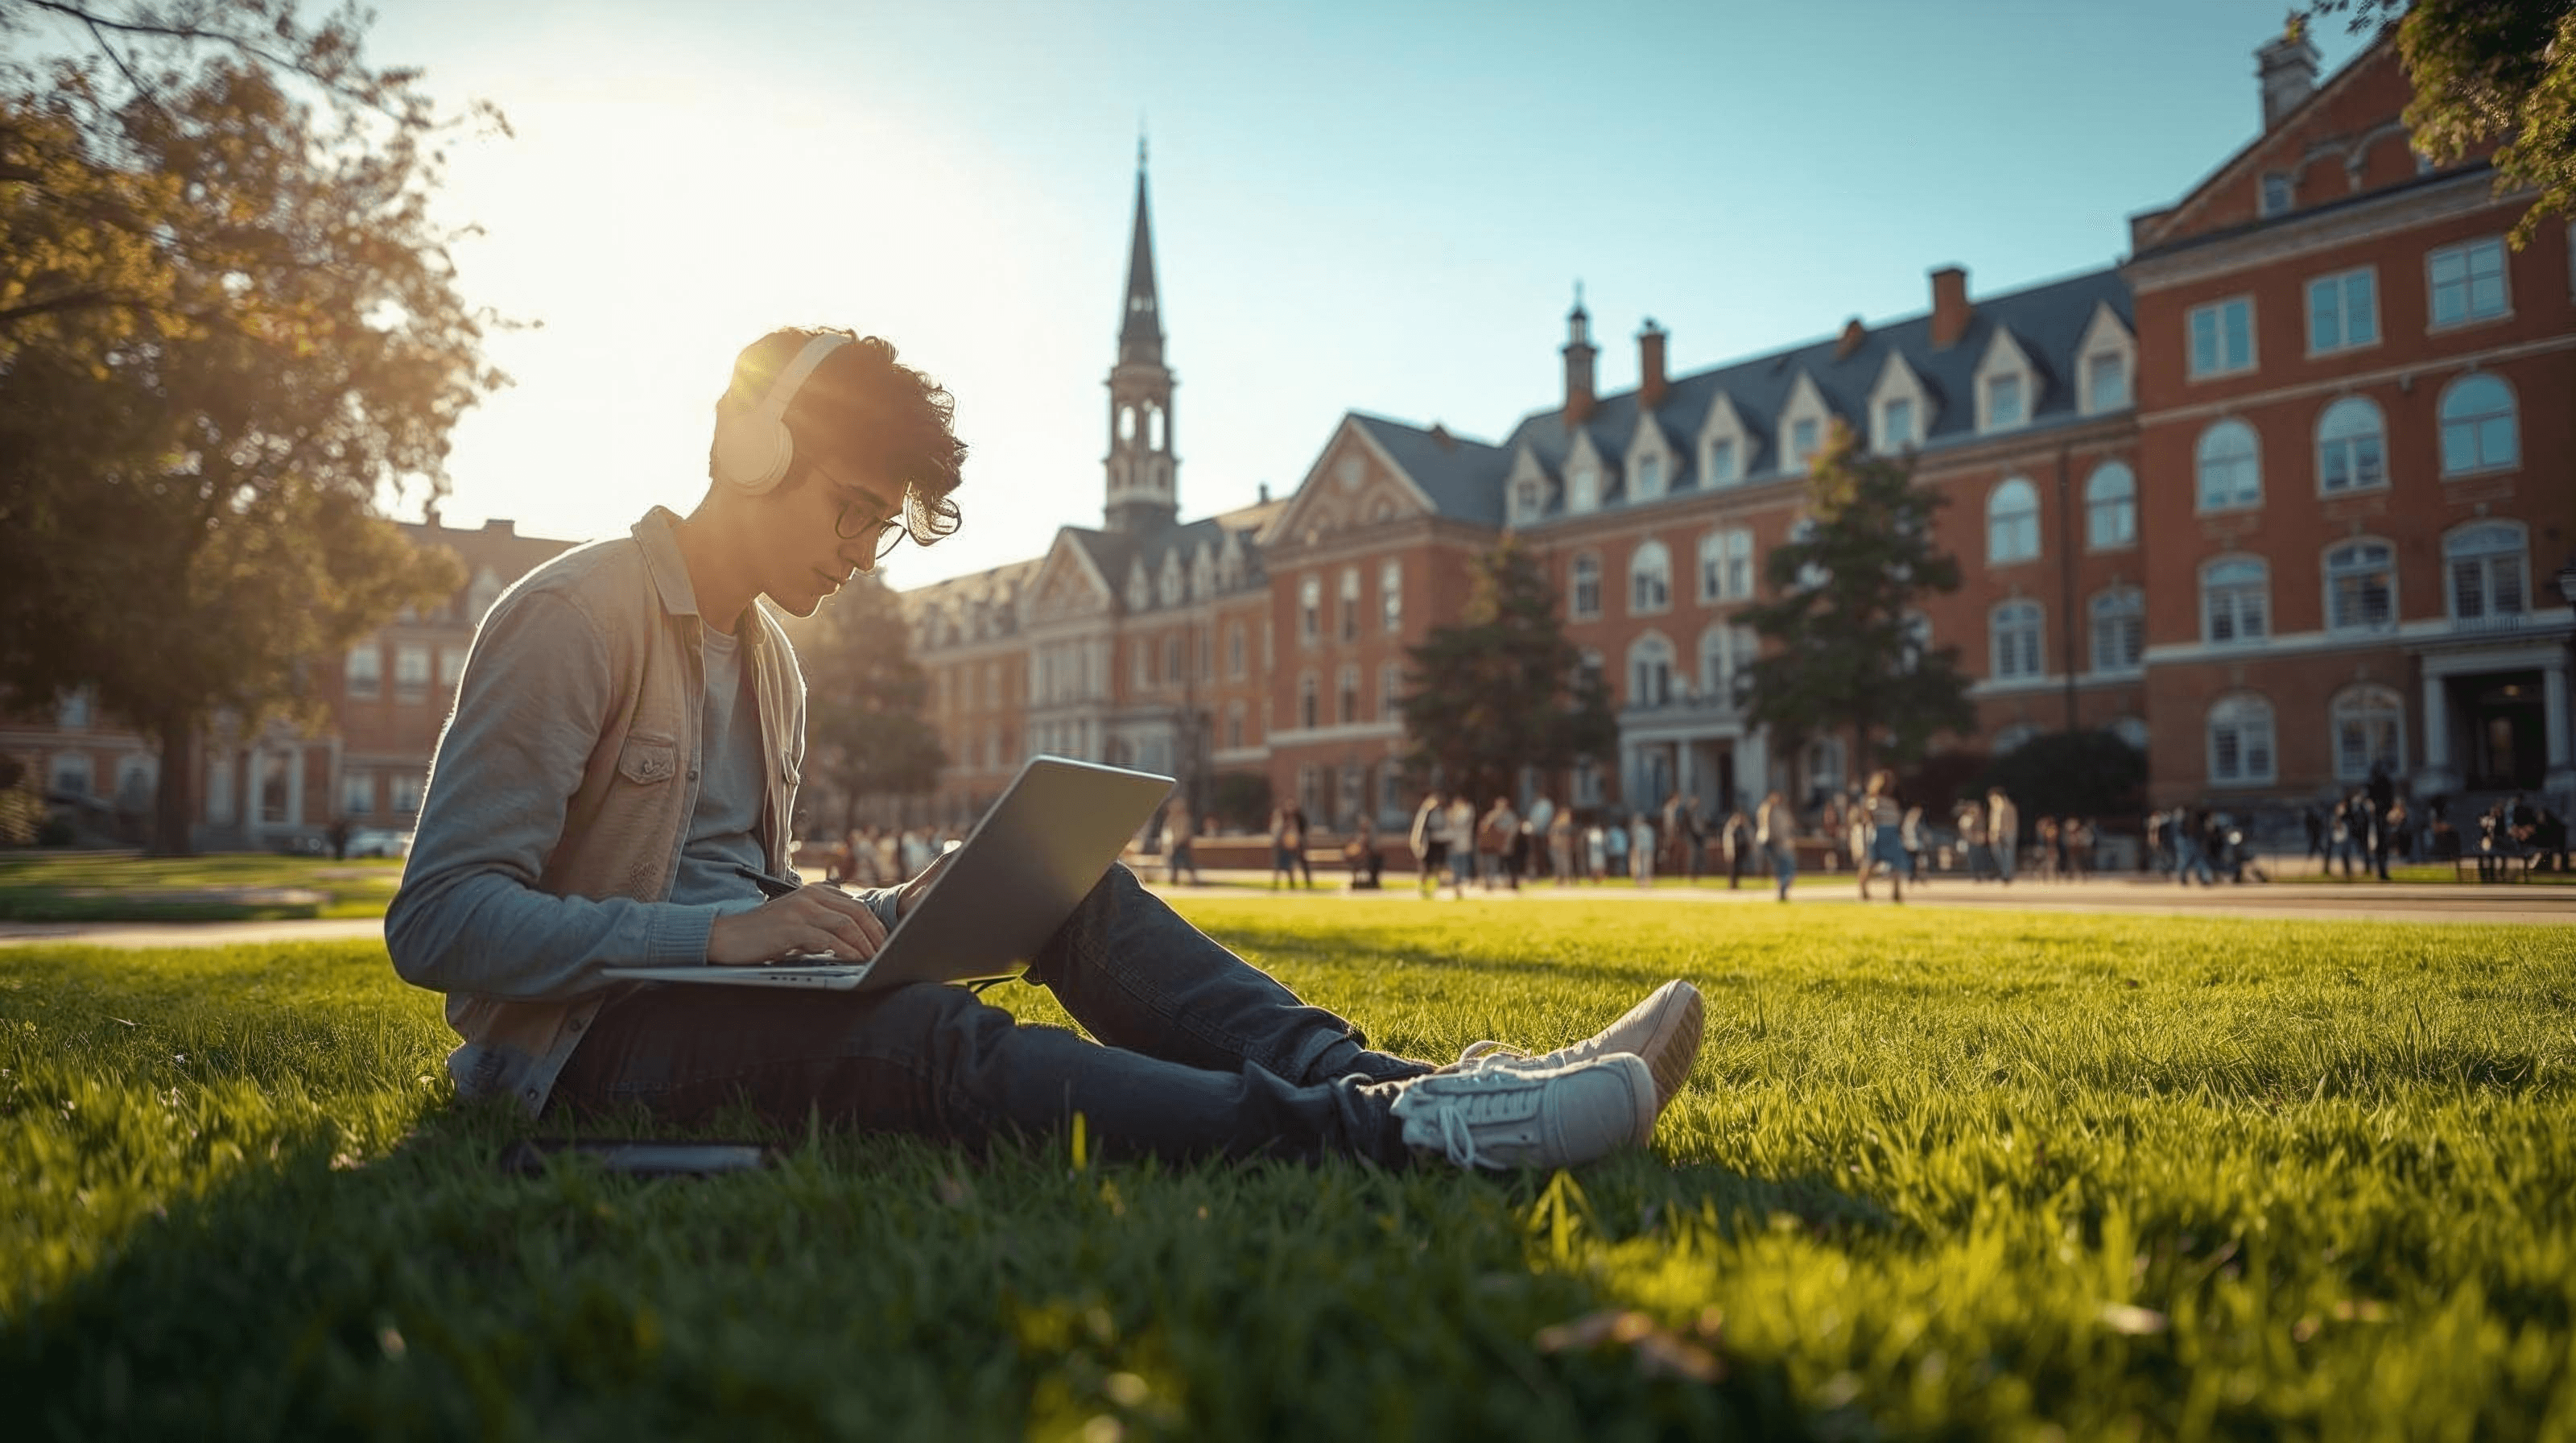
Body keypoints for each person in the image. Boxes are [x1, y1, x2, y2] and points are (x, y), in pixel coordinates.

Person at [385, 325, 1696, 1173]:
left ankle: (1407, 1080)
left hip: (727, 993)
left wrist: (822, 917)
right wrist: (720, 942)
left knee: (1078, 888)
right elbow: (439, 923)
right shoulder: (573, 614)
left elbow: (721, 880)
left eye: (879, 530)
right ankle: (1395, 1137)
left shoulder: (768, 659)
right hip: (587, 1046)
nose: (858, 557)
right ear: (751, 448)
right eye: (852, 511)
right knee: (930, 1039)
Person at [1856, 770, 1905, 903]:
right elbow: (1866, 818)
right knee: (1871, 863)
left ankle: (1896, 892)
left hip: (1890, 832)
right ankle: (1864, 889)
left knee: (1895, 864)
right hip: (1880, 833)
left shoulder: (1892, 802)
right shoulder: (1873, 800)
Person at [1408, 790, 1453, 899]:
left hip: (1439, 843)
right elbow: (1419, 829)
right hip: (1429, 845)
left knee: (1439, 868)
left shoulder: (1438, 811)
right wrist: (1417, 843)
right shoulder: (1426, 812)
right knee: (1427, 869)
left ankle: (1435, 889)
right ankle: (1425, 890)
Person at [1756, 790, 1797, 902]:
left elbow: (1789, 826)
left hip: (1782, 843)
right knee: (1784, 868)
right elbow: (1768, 828)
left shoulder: (1780, 811)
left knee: (1786, 868)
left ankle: (1782, 889)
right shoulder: (1767, 809)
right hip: (1774, 843)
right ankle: (1782, 890)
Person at [1477, 796, 1519, 892]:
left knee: (1508, 864)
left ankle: (1511, 883)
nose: (1500, 806)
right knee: (1491, 862)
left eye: (1502, 804)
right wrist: (1492, 817)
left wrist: (1507, 840)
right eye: (1498, 804)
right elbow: (1484, 827)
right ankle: (1491, 882)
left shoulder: (1510, 816)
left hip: (1505, 844)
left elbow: (1513, 830)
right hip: (1492, 845)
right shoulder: (1492, 814)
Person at [1987, 788, 2019, 886]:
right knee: (1997, 853)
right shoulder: (1994, 807)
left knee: (2008, 854)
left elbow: (2011, 822)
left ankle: (2007, 875)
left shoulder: (2008, 806)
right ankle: (2005, 872)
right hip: (1996, 834)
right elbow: (1992, 822)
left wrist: (2003, 832)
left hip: (2008, 833)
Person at [1163, 802, 1199, 887]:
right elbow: (1168, 832)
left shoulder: (1185, 818)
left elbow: (1186, 832)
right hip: (1175, 843)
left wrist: (1182, 841)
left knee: (1186, 861)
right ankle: (1174, 878)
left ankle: (1193, 878)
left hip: (1182, 843)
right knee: (1174, 862)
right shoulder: (1170, 818)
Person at [1343, 813, 1382, 890]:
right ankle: (1373, 882)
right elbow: (1362, 849)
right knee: (1377, 860)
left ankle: (1373, 881)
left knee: (1377, 860)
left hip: (1360, 860)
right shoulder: (1362, 837)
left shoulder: (1359, 836)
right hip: (1362, 860)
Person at [1956, 800, 1992, 882]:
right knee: (1973, 858)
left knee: (1981, 857)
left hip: (1979, 842)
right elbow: (1964, 831)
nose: (1974, 810)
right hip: (1971, 842)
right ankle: (1976, 874)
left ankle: (1983, 873)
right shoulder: (1965, 818)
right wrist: (1971, 837)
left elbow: (1982, 829)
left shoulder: (1980, 818)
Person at [1525, 792, 1557, 882]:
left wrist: (1534, 828)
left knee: (1538, 854)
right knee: (1538, 854)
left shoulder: (1544, 805)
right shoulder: (1542, 805)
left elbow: (1539, 820)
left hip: (1539, 833)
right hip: (1538, 832)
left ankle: (1540, 873)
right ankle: (1540, 873)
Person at [1721, 805, 1752, 890]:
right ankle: (1732, 884)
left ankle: (1735, 884)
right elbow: (1728, 841)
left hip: (1740, 851)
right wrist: (1729, 852)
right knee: (1732, 869)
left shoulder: (1743, 827)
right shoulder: (1731, 827)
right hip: (1733, 851)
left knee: (1739, 868)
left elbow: (1747, 838)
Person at [1267, 805, 1298, 891]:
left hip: (1285, 848)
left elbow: (1290, 836)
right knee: (1280, 867)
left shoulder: (1286, 825)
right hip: (1280, 848)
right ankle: (1278, 885)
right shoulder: (1278, 825)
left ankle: (1291, 885)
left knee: (1287, 868)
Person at [1549, 803, 1576, 887]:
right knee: (1558, 863)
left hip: (1562, 845)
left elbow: (1566, 834)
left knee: (1564, 863)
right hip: (1556, 845)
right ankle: (1560, 880)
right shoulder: (1557, 821)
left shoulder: (1565, 821)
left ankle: (1566, 879)